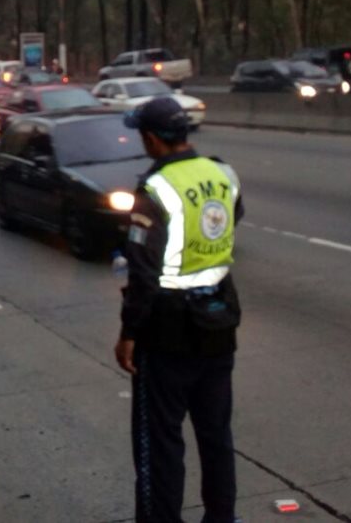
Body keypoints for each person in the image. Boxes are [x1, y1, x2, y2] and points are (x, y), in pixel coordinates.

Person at [113, 97, 245, 523]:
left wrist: (128, 333)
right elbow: (232, 215)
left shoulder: (154, 191)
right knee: (216, 435)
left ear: (152, 139)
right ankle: (221, 518)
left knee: (160, 441)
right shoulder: (223, 173)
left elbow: (144, 274)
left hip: (167, 331)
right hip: (219, 318)